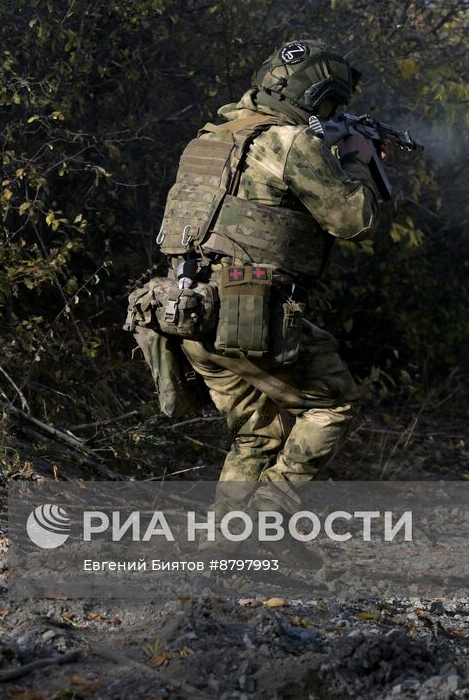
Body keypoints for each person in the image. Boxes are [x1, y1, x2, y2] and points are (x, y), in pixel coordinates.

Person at [153, 39, 384, 505]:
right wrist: (358, 157)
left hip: (185, 310)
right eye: (332, 103)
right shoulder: (290, 140)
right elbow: (353, 220)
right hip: (247, 315)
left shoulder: (209, 138)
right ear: (315, 98)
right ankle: (266, 518)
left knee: (256, 436)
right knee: (332, 403)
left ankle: (223, 552)